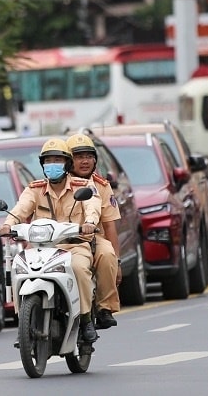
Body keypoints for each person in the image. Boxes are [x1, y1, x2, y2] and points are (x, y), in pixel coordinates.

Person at [0, 138, 101, 342]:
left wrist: (89, 222)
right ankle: (24, 325)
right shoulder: (34, 189)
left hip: (74, 245)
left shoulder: (84, 186)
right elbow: (20, 209)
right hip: (40, 248)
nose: (52, 165)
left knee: (80, 268)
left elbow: (92, 206)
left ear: (67, 164)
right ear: (42, 165)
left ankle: (86, 318)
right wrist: (8, 224)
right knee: (20, 268)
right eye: (48, 161)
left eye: (57, 160)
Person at [65, 133, 121, 330]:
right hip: (60, 240)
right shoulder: (57, 183)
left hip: (92, 238)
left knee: (107, 254)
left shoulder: (102, 186)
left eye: (89, 156)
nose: (85, 161)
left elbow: (110, 226)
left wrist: (118, 263)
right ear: (68, 160)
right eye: (79, 157)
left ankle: (104, 308)